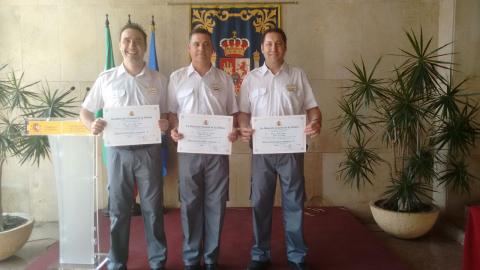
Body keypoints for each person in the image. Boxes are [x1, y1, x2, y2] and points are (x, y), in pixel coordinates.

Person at [80, 23, 169, 270]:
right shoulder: (106, 79)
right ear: (120, 45)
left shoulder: (158, 79)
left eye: (137, 41)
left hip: (149, 153)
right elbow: (85, 111)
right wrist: (92, 125)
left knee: (153, 211)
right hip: (118, 154)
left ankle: (157, 261)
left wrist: (166, 122)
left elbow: (169, 114)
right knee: (119, 211)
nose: (132, 46)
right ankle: (117, 262)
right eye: (127, 40)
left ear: (144, 45)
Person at [238, 28, 322, 270]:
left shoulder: (298, 75)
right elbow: (243, 113)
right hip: (261, 151)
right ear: (262, 47)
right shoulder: (251, 78)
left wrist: (315, 123)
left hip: (291, 151)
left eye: (278, 43)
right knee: (260, 202)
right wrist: (243, 127)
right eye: (268, 44)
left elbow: (313, 109)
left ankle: (296, 256)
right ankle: (260, 254)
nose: (273, 48)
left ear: (285, 47)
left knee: (294, 202)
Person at [168, 27, 238, 270]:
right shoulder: (176, 78)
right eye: (196, 44)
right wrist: (174, 130)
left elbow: (233, 113)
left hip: (218, 152)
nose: (201, 48)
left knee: (216, 203)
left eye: (206, 44)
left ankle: (210, 258)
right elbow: (171, 113)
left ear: (212, 49)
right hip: (188, 151)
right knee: (189, 204)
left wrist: (234, 130)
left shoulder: (225, 79)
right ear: (189, 48)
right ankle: (190, 257)